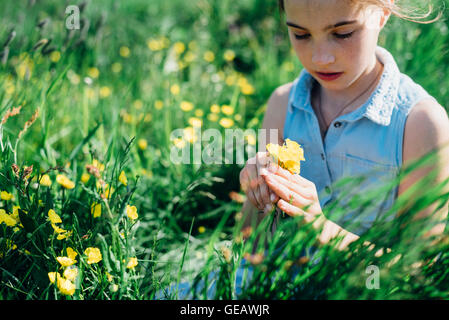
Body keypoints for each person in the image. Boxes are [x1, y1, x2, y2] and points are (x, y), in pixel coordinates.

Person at [239, 0, 449, 251]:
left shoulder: (420, 124)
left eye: (343, 33)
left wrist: (324, 229)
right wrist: (257, 196)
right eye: (301, 34)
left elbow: (418, 270)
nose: (321, 58)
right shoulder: (282, 105)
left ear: (383, 12)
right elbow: (252, 248)